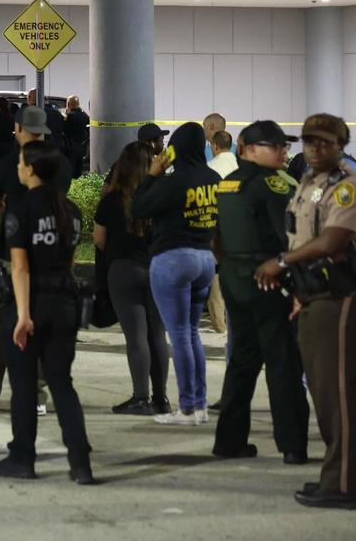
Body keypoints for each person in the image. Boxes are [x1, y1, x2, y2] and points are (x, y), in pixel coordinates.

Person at [255, 114, 356, 510]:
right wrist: (299, 291)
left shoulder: (347, 185)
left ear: (341, 143)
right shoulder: (310, 181)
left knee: (339, 394)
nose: (313, 148)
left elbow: (333, 240)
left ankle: (345, 486)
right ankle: (334, 476)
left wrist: (282, 261)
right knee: (325, 395)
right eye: (308, 141)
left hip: (340, 294)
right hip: (315, 294)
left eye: (323, 142)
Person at [0, 141, 95, 484]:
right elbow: (70, 261)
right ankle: (80, 462)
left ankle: (22, 457)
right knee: (62, 383)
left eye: (21, 163)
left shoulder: (20, 208)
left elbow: (20, 267)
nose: (18, 168)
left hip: (31, 303)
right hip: (65, 302)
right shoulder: (72, 211)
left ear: (31, 169)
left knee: (23, 386)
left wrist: (22, 315)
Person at [212, 121, 309, 463]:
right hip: (268, 277)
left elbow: (219, 237)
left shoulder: (226, 184)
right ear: (248, 148)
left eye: (285, 146)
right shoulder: (272, 185)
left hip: (234, 277)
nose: (284, 152)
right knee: (282, 362)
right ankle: (293, 444)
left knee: (242, 361)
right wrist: (297, 286)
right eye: (275, 146)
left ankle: (229, 441)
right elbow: (286, 238)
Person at [0, 106, 66, 416]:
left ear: (18, 128)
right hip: (49, 259)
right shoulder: (61, 165)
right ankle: (36, 397)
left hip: (10, 257)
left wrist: (11, 205)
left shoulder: (9, 163)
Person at [131, 122, 219, 425]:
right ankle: (200, 404)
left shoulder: (173, 181)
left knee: (180, 334)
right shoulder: (213, 177)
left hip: (173, 259)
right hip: (205, 260)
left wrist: (152, 174)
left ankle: (187, 408)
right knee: (192, 333)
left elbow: (139, 208)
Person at [94, 142, 171, 415]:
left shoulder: (112, 200)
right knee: (157, 335)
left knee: (136, 336)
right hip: (159, 269)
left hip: (124, 270)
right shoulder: (163, 196)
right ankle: (161, 398)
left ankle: (141, 397)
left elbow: (99, 239)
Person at [205, 130, 238, 337]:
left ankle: (219, 324)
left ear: (215, 146)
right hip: (239, 230)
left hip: (216, 228)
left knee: (217, 277)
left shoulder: (209, 169)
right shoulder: (240, 168)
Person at [63, 95, 90, 178]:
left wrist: (65, 115)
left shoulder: (69, 116)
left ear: (68, 104)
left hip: (70, 145)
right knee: (79, 166)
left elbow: (64, 130)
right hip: (82, 145)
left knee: (70, 167)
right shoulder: (85, 115)